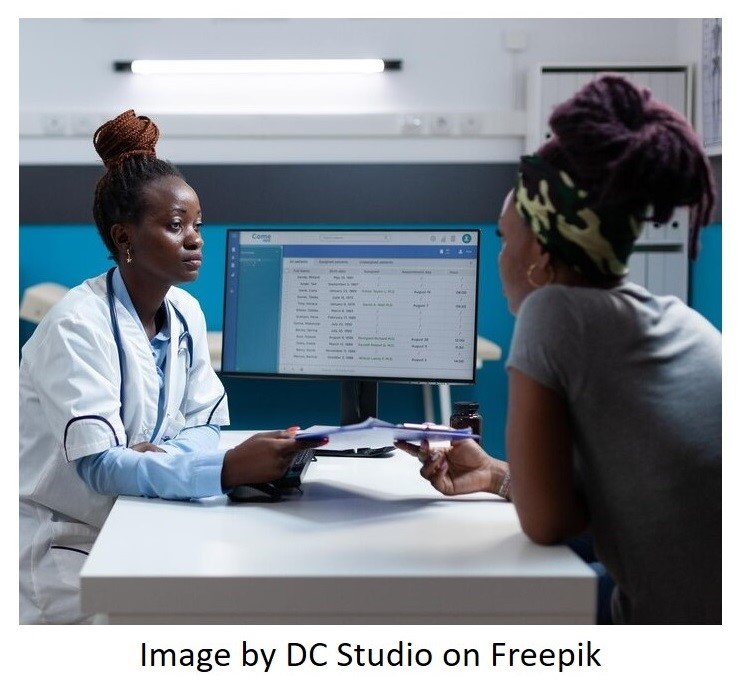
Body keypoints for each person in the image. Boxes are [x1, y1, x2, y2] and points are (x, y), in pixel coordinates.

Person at [396, 74, 721, 624]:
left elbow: (550, 524)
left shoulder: (554, 313)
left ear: (541, 258)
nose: (499, 259)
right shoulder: (681, 322)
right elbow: (644, 511)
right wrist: (495, 476)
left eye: (503, 238)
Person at [19, 110, 327, 624]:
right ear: (124, 239)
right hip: (66, 547)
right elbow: (99, 467)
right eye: (175, 225)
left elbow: (206, 423)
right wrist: (224, 468)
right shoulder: (77, 326)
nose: (195, 239)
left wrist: (163, 456)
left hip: (139, 521)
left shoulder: (184, 312)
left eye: (197, 225)